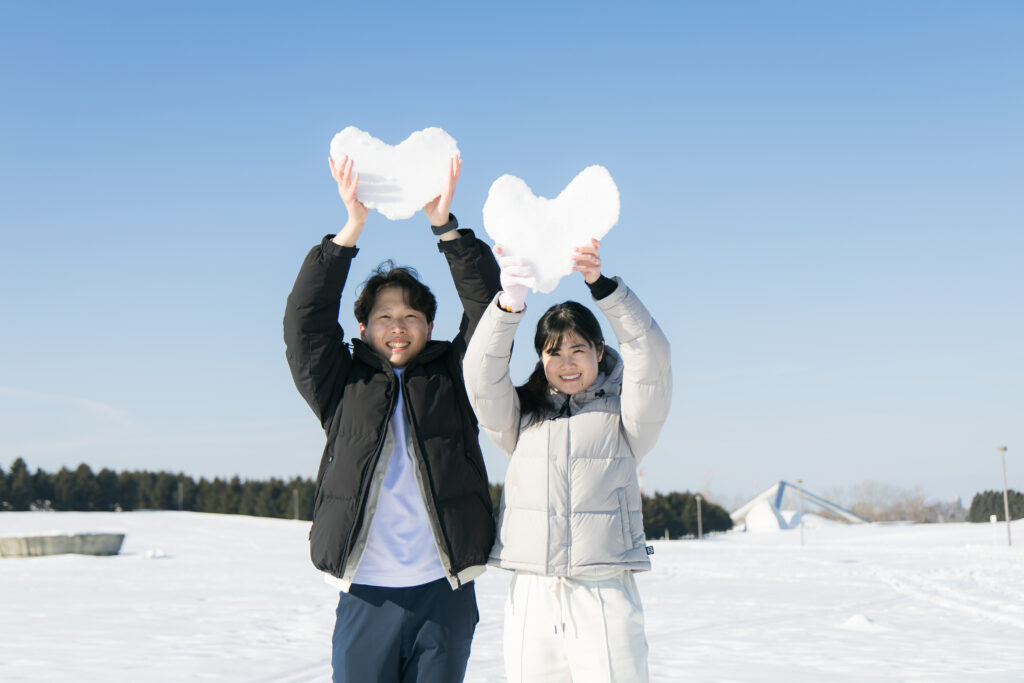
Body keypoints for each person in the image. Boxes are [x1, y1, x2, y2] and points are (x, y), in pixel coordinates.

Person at [283, 154, 500, 683]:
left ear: (429, 326)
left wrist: (445, 229)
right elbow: (304, 323)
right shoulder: (341, 385)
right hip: (366, 593)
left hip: (444, 593)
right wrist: (350, 230)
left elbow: (489, 309)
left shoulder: (457, 376)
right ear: (363, 327)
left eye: (410, 317)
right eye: (384, 317)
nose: (397, 327)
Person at [463, 238, 672, 683]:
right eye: (553, 352)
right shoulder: (520, 417)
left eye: (577, 349)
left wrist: (603, 287)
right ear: (541, 359)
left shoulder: (625, 415)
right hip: (532, 589)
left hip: (602, 586)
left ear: (598, 351)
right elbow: (480, 375)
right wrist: (508, 305)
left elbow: (651, 356)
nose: (566, 362)